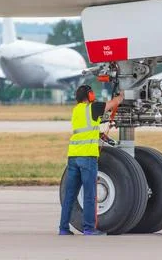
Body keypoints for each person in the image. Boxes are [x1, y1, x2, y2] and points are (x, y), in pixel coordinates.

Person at [59, 85, 124, 236]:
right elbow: (113, 103)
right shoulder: (93, 108)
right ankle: (89, 228)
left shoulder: (77, 110)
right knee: (90, 194)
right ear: (89, 95)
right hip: (87, 157)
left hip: (73, 156)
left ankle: (63, 228)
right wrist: (121, 96)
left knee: (70, 195)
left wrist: (99, 134)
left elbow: (86, 128)